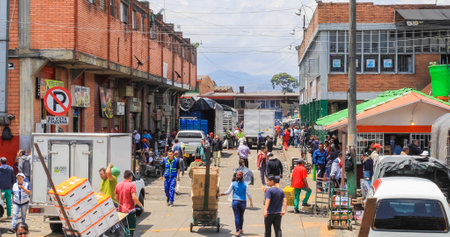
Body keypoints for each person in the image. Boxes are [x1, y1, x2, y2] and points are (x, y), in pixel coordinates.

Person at [218, 171, 253, 237]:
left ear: (236, 177)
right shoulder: (245, 184)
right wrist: (251, 202)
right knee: (241, 216)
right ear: (243, 177)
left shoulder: (233, 183)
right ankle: (241, 229)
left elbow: (227, 192)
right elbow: (249, 194)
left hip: (235, 202)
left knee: (237, 216)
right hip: (243, 202)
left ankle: (237, 231)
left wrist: (220, 194)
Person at [115, 170, 144, 237]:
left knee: (125, 228)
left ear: (123, 176)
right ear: (130, 177)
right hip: (130, 211)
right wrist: (141, 206)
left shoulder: (118, 185)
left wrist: (121, 202)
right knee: (130, 229)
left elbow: (116, 198)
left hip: (121, 211)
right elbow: (134, 197)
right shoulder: (132, 185)